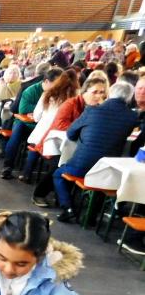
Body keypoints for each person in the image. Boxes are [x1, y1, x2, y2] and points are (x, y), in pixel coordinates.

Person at [54, 82, 139, 223]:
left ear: (110, 93)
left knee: (58, 174)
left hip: (82, 165)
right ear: (130, 97)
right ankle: (92, 216)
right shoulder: (132, 117)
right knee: (102, 182)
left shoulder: (92, 110)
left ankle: (68, 208)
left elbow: (70, 134)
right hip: (107, 169)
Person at [31, 76, 108, 207]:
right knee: (59, 164)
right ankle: (39, 194)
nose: (98, 96)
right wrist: (84, 130)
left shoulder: (100, 109)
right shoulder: (70, 104)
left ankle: (67, 198)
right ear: (85, 91)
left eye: (102, 93)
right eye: (95, 92)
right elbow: (60, 125)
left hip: (80, 146)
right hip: (54, 144)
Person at [1, 67, 63, 180]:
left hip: (42, 125)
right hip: (25, 123)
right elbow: (23, 109)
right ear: (46, 81)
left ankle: (30, 173)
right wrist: (45, 110)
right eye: (57, 84)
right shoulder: (31, 90)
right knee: (17, 133)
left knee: (47, 135)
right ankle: (7, 167)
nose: (59, 87)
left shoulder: (58, 94)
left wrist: (39, 111)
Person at [19, 69, 80, 183]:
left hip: (44, 135)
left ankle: (27, 174)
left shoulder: (48, 95)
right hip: (64, 137)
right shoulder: (76, 99)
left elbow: (37, 117)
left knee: (35, 144)